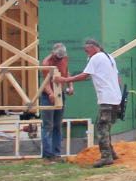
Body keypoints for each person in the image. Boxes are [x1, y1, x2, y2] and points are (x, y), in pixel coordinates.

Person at [64, 37, 122, 166]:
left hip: (106, 98)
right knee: (106, 127)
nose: (86, 53)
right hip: (115, 98)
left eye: (87, 50)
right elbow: (118, 78)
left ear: (93, 47)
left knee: (101, 128)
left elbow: (85, 75)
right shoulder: (109, 57)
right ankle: (111, 153)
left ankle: (106, 156)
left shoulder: (96, 58)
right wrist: (119, 96)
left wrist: (65, 80)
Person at [39, 42, 71, 159]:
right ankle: (47, 154)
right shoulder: (46, 63)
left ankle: (56, 153)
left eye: (61, 57)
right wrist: (50, 93)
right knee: (48, 125)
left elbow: (66, 73)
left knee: (57, 124)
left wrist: (70, 85)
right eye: (58, 57)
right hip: (47, 96)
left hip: (60, 94)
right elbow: (46, 82)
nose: (60, 59)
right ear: (53, 53)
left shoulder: (64, 59)